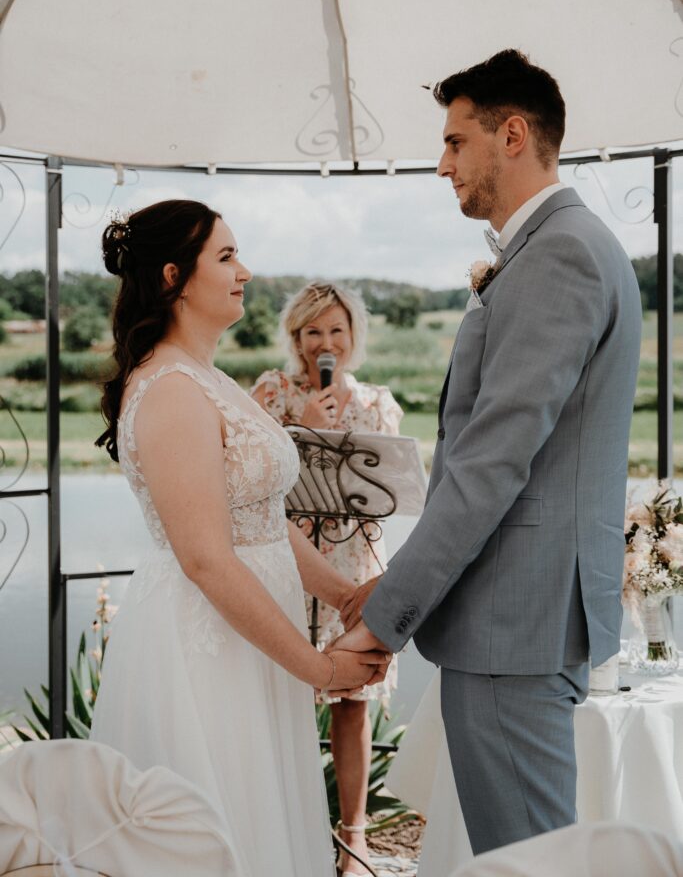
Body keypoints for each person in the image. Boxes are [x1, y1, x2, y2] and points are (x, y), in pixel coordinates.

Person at [337, 50, 642, 855]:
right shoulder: (555, 246)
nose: (442, 166)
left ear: (511, 136)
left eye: (454, 142)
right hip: (521, 613)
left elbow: (493, 459)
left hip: (516, 619)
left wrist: (386, 619)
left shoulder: (559, 253)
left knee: (527, 861)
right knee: (527, 854)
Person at [89, 200, 390, 877]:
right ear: (173, 277)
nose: (244, 272)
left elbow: (260, 518)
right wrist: (317, 668)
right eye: (225, 257)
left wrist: (344, 595)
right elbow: (204, 557)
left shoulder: (209, 378)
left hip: (254, 637)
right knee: (221, 827)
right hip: (207, 644)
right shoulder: (170, 389)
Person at [251, 282, 402, 877]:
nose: (325, 342)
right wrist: (304, 429)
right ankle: (283, 830)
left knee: (351, 702)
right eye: (313, 331)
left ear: (352, 336)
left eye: (336, 330)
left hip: (355, 562)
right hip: (289, 563)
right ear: (296, 338)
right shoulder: (271, 393)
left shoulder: (377, 402)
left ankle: (353, 837)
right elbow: (249, 487)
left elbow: (394, 487)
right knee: (283, 689)